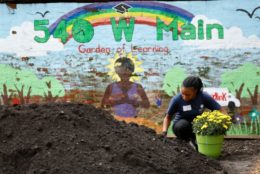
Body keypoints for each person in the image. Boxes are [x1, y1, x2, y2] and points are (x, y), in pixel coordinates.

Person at [162, 76, 222, 150]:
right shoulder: (176, 99)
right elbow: (167, 117)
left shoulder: (203, 96)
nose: (184, 97)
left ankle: (199, 143)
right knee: (182, 126)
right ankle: (188, 142)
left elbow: (220, 110)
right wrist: (164, 132)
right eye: (182, 93)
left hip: (197, 127)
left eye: (187, 95)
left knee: (208, 124)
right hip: (181, 128)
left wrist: (217, 121)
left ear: (195, 91)